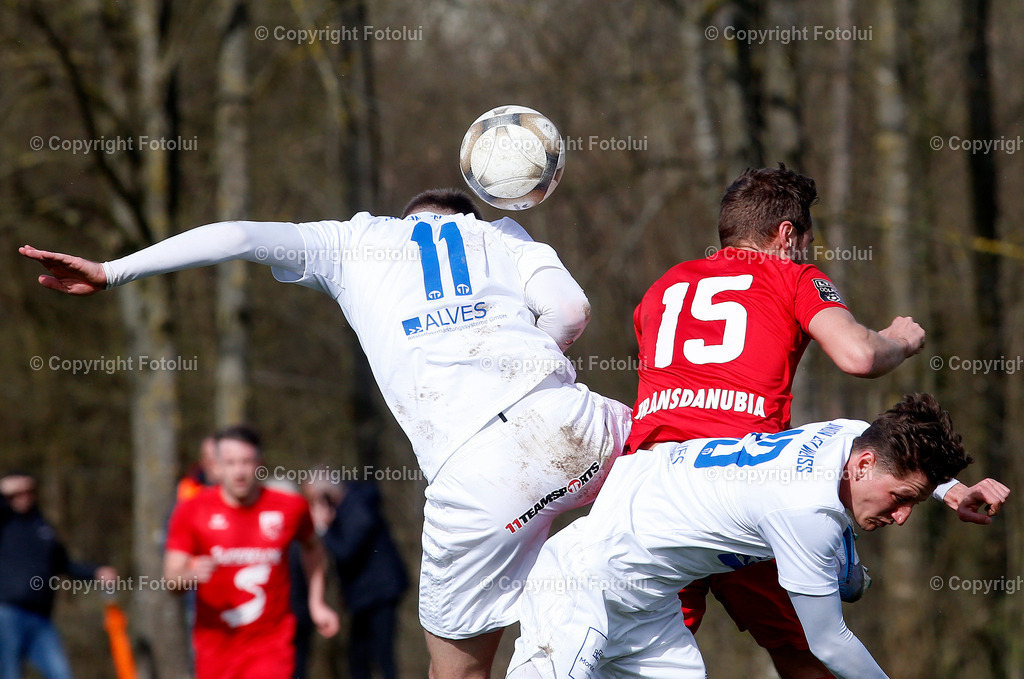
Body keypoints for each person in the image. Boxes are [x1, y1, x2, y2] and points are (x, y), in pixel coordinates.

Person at [20, 188, 632, 679]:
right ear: (465, 216)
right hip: (578, 421)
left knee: (458, 669)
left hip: (476, 474)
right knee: (671, 495)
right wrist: (527, 364)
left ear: (407, 219)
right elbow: (571, 312)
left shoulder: (355, 240)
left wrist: (111, 270)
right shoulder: (503, 234)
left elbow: (235, 236)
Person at [626, 164, 1010, 678]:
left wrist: (945, 487)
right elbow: (858, 356)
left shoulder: (663, 286)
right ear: (787, 235)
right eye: (807, 242)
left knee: (636, 656)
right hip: (743, 490)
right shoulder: (793, 276)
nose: (808, 253)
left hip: (650, 492)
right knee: (811, 648)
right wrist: (899, 340)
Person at [507, 393, 989, 679]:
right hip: (588, 576)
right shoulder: (808, 514)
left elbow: (888, 439)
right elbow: (829, 642)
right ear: (863, 465)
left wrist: (949, 489)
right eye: (901, 498)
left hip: (649, 606)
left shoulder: (851, 436)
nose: (902, 516)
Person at [163, 425, 340, 679]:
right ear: (217, 466)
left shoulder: (290, 507)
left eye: (246, 462)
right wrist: (189, 575)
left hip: (271, 645)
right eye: (231, 463)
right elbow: (171, 578)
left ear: (260, 462)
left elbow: (313, 547)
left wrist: (317, 602)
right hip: (215, 647)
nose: (239, 472)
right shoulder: (191, 511)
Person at [0, 471, 118, 679]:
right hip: (7, 613)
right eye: (16, 493)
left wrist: (96, 572)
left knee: (61, 674)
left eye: (28, 491)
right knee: (10, 674)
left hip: (41, 617)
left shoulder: (43, 528)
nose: (23, 497)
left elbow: (64, 565)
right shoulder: (4, 522)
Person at [306, 477, 408, 679]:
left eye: (315, 500)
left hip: (379, 592)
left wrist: (323, 529)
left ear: (326, 496)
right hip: (363, 595)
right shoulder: (349, 506)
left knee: (382, 655)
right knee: (358, 657)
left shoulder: (359, 508)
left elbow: (346, 551)